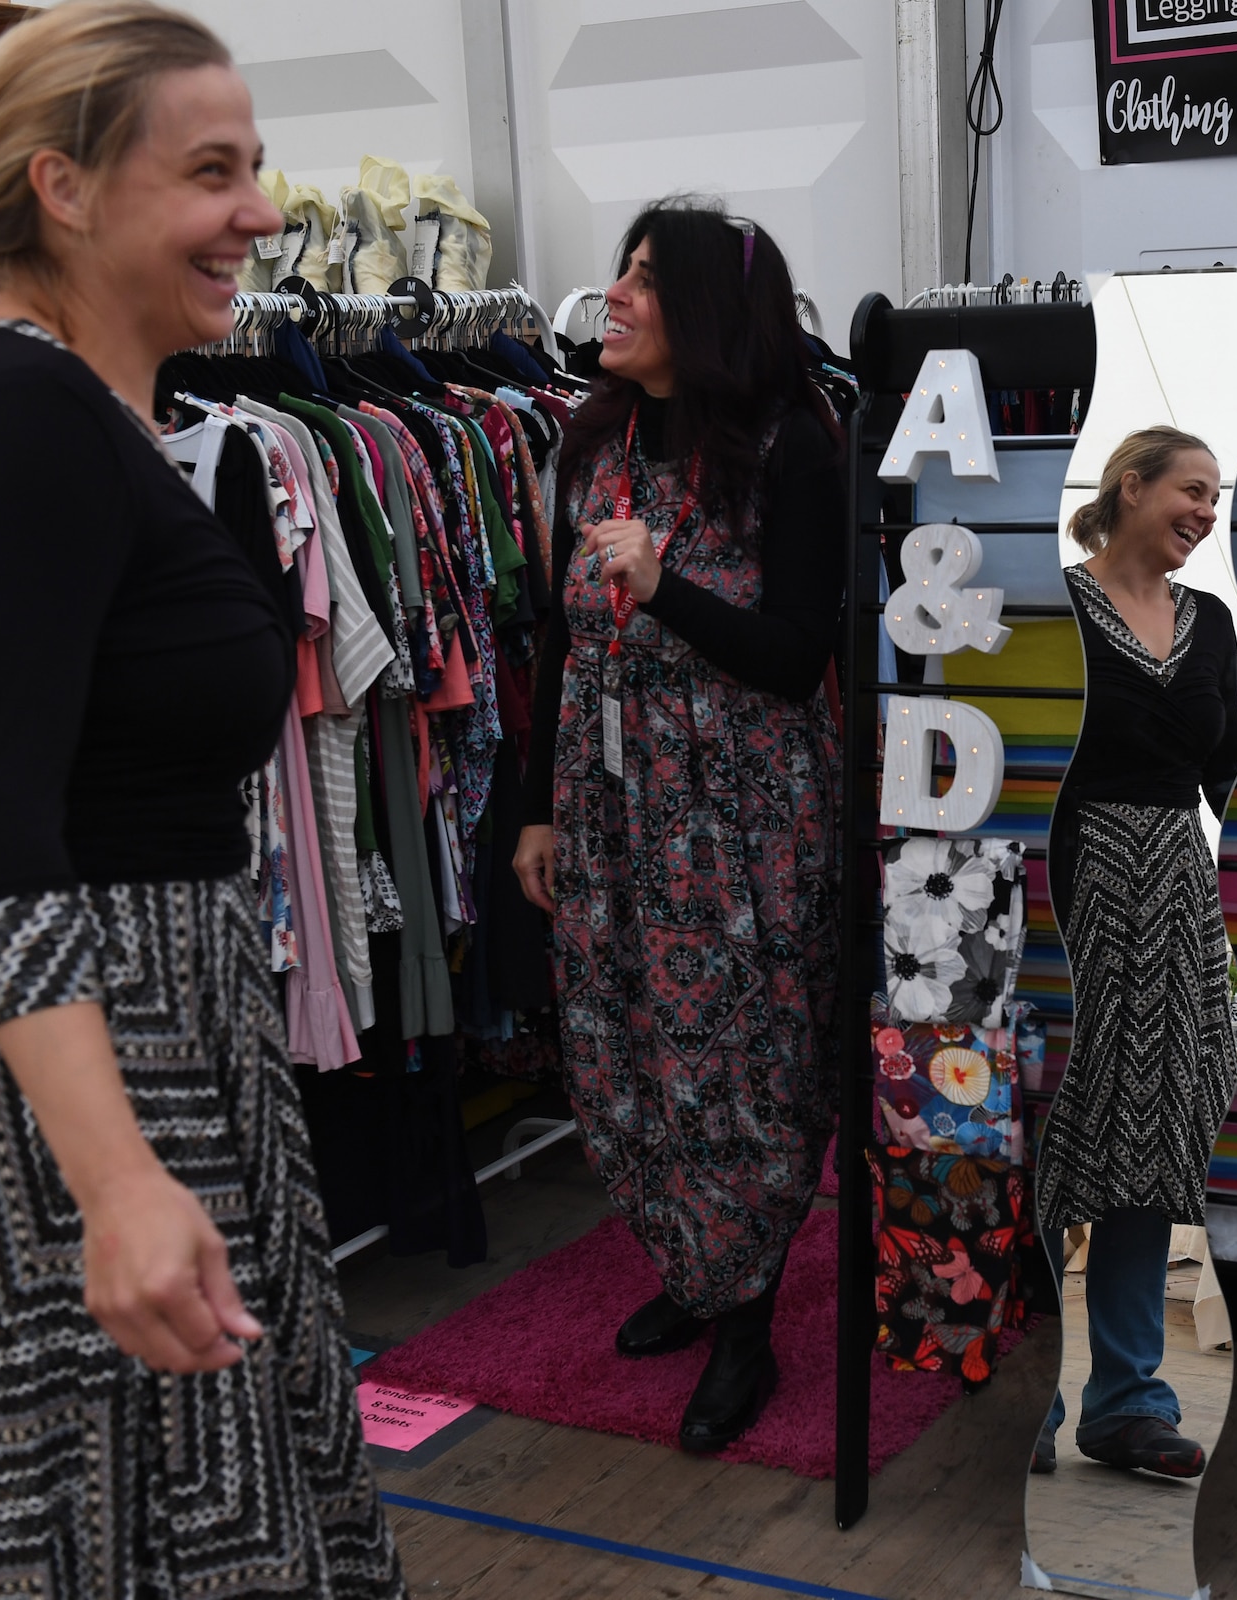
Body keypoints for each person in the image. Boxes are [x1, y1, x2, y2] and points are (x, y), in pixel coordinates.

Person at [0, 5, 404, 1594]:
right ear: (67, 188)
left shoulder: (47, 410)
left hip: (156, 1047)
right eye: (211, 171)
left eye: (262, 169)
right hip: (61, 1084)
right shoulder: (10, 420)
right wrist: (116, 1178)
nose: (264, 213)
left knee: (230, 1530)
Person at [514, 200, 845, 1454]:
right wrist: (541, 810)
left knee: (737, 1064)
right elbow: (556, 639)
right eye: (620, 270)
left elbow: (794, 651)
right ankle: (692, 1264)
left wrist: (666, 588)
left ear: (704, 309)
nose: (616, 294)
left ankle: (746, 1314)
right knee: (620, 1050)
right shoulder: (588, 441)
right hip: (606, 808)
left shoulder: (789, 447)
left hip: (739, 820)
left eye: (646, 280)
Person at [1035, 426, 1237, 1479]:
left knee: (1144, 1142)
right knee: (1041, 1129)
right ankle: (1028, 1388)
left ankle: (1123, 1403)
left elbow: (1230, 770)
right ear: (1129, 485)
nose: (1206, 512)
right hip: (1058, 894)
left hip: (1171, 896)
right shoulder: (1055, 608)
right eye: (1190, 490)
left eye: (1217, 497)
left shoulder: (1208, 624)